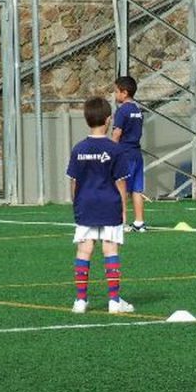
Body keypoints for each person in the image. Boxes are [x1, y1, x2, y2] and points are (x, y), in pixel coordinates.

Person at [67, 96, 135, 315]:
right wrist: (123, 207)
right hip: (109, 204)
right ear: (108, 119)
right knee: (110, 248)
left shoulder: (79, 149)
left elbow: (74, 181)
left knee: (84, 248)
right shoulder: (115, 150)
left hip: (85, 205)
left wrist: (75, 203)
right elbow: (121, 181)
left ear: (87, 119)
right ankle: (114, 301)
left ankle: (80, 301)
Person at [111, 75, 146, 232]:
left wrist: (110, 151)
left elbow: (117, 133)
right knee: (137, 189)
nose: (115, 95)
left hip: (124, 154)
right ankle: (139, 222)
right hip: (137, 153)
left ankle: (122, 222)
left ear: (124, 93)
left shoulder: (122, 111)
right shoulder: (137, 110)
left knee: (121, 188)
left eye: (116, 91)